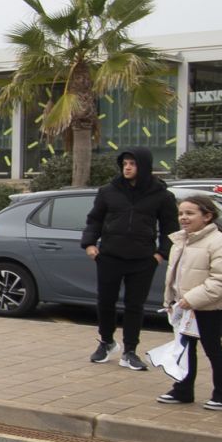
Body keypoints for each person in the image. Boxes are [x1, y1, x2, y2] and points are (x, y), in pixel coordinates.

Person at [80, 147, 178, 370]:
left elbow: (170, 228)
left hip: (143, 259)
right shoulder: (108, 191)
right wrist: (89, 244)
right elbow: (94, 220)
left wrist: (160, 254)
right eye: (124, 163)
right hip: (110, 256)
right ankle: (106, 342)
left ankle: (130, 351)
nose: (127, 167)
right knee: (105, 302)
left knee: (135, 306)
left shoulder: (162, 195)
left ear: (143, 166)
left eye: (132, 164)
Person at [156, 195, 222, 409]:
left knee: (212, 347)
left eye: (190, 213)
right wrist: (171, 300)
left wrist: (192, 298)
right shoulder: (181, 240)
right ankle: (183, 390)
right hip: (183, 305)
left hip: (207, 306)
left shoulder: (220, 243)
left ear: (207, 216)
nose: (183, 218)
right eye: (181, 213)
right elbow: (175, 274)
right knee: (184, 350)